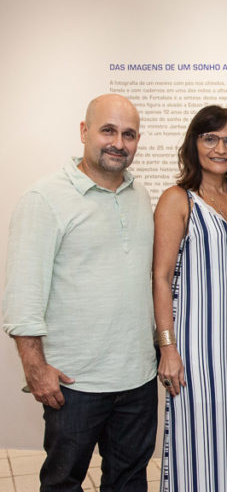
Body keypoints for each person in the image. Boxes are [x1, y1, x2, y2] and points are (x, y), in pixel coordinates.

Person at [2, 93, 157, 491]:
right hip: (74, 384)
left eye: (129, 134)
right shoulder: (44, 199)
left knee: (129, 482)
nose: (118, 143)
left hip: (137, 380)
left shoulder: (140, 195)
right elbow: (22, 295)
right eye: (108, 131)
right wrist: (36, 369)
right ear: (84, 131)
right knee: (63, 483)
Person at [153, 105, 227, 491]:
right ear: (194, 143)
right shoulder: (178, 199)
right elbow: (160, 277)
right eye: (210, 139)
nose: (221, 148)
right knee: (199, 443)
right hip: (196, 350)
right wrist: (167, 348)